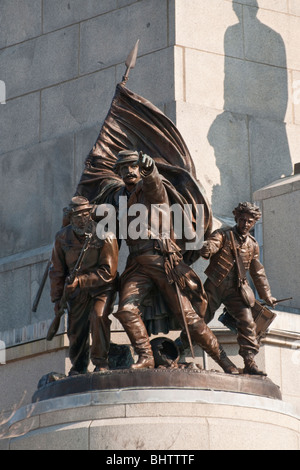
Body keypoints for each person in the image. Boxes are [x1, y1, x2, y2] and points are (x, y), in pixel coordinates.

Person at [111, 149, 239, 374]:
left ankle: (225, 362)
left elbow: (155, 187)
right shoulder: (121, 195)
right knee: (126, 310)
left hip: (163, 261)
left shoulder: (150, 188)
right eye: (123, 168)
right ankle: (146, 357)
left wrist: (150, 172)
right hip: (136, 264)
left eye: (133, 167)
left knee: (189, 318)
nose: (129, 171)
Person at [199, 201, 277, 375]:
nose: (245, 224)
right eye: (242, 220)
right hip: (215, 286)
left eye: (249, 221)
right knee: (199, 320)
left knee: (248, 323)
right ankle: (181, 348)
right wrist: (207, 249)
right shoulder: (224, 234)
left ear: (254, 223)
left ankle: (249, 361)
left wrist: (267, 296)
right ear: (236, 218)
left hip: (237, 290)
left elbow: (258, 272)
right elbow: (213, 243)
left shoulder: (252, 244)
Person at [49, 196, 118, 375]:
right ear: (70, 218)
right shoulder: (62, 238)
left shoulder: (106, 236)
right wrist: (57, 299)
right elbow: (57, 271)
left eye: (85, 214)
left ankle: (100, 362)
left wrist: (81, 280)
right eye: (77, 216)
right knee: (75, 329)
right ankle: (78, 367)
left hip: (102, 288)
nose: (82, 219)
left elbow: (108, 272)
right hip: (76, 292)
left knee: (98, 316)